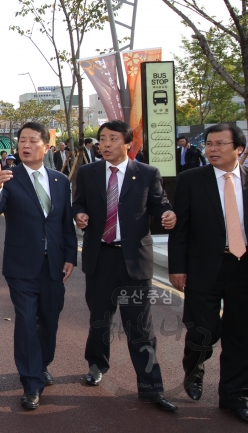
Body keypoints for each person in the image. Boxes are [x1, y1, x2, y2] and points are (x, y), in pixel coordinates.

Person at [72, 120, 178, 412]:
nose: (105, 144)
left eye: (112, 139)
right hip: (100, 257)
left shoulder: (146, 173)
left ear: (128, 143)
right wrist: (79, 214)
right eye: (102, 139)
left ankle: (151, 387)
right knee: (100, 318)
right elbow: (77, 203)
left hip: (134, 260)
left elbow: (159, 203)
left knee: (140, 327)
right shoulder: (88, 172)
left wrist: (168, 214)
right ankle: (96, 364)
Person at [0, 122, 77, 410]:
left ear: (46, 146)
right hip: (21, 266)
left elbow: (65, 224)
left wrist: (70, 257)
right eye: (21, 140)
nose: (25, 145)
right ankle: (31, 382)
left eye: (32, 140)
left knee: (49, 321)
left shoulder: (60, 181)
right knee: (25, 322)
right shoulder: (10, 178)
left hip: (54, 266)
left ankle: (41, 362)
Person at [168, 123, 248, 422]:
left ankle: (234, 396)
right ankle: (194, 366)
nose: (212, 149)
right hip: (204, 267)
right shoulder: (192, 180)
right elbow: (180, 228)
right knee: (205, 329)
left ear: (239, 148)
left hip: (243, 267)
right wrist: (177, 267)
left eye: (220, 144)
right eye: (209, 144)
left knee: (241, 334)